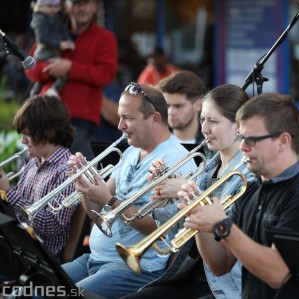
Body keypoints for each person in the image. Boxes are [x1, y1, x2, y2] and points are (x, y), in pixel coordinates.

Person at [177, 93, 299, 299]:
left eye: (251, 140)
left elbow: (277, 274)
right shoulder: (251, 190)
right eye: (242, 138)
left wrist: (222, 226)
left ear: (283, 141)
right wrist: (198, 217)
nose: (242, 147)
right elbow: (220, 265)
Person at [61, 83, 197, 298]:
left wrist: (109, 200)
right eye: (120, 117)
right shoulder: (132, 152)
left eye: (128, 118)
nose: (120, 125)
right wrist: (85, 187)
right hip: (94, 259)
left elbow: (160, 228)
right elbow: (98, 215)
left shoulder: (176, 159)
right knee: (35, 286)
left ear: (154, 119)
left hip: (134, 268)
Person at [121, 84, 255, 299]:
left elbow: (226, 237)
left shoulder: (248, 177)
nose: (204, 129)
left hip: (226, 287)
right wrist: (165, 199)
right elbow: (178, 237)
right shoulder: (207, 169)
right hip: (191, 274)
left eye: (213, 121)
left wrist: (189, 194)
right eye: (203, 119)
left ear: (239, 126)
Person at [25, 0, 118, 161]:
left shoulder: (105, 38)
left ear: (95, 6)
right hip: (44, 118)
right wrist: (53, 68)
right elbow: (30, 70)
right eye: (76, 3)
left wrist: (70, 68)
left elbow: (106, 74)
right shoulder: (51, 31)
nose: (82, 8)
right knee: (35, 175)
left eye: (86, 3)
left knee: (76, 179)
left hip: (79, 122)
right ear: (66, 6)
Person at [0, 95, 77, 261]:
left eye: (27, 134)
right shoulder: (34, 161)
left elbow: (51, 226)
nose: (23, 141)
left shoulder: (67, 171)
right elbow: (18, 209)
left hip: (41, 258)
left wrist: (8, 192)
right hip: (20, 247)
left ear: (48, 132)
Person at [29, 0, 75, 98]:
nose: (53, 9)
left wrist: (69, 41)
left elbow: (63, 31)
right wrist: (59, 44)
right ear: (40, 6)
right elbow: (43, 38)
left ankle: (33, 97)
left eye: (56, 6)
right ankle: (53, 91)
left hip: (53, 53)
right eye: (49, 6)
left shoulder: (56, 18)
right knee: (62, 74)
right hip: (45, 53)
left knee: (42, 81)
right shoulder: (40, 19)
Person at [156, 70, 205, 145]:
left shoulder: (213, 145)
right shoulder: (153, 142)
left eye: (178, 106)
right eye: (167, 105)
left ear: (197, 105)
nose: (171, 112)